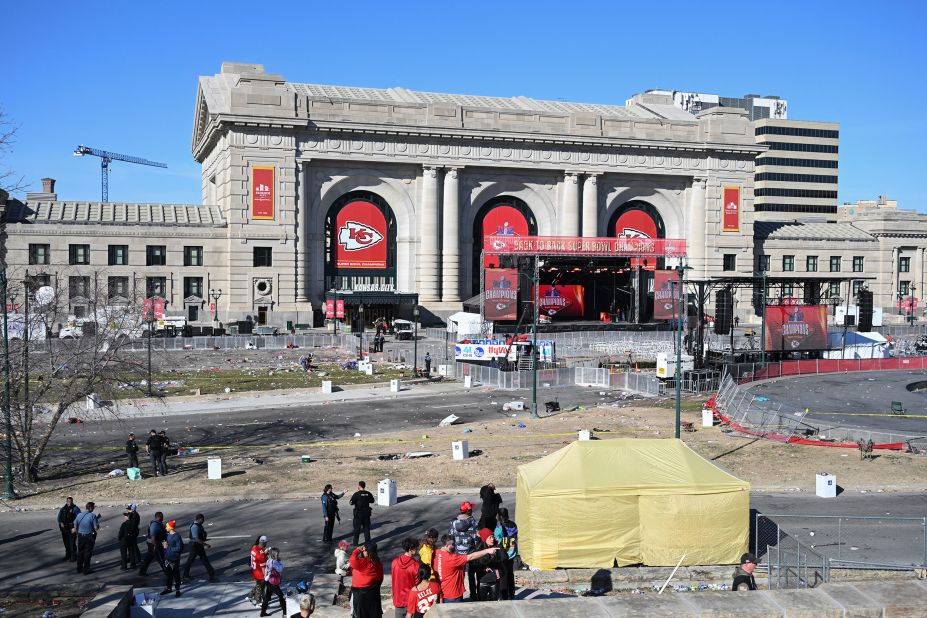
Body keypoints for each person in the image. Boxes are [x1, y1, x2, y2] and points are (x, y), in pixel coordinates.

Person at [434, 534, 500, 603]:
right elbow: (471, 557)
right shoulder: (452, 559)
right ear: (447, 545)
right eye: (453, 544)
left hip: (443, 592)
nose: (455, 546)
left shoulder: (437, 553)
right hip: (453, 596)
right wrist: (487, 551)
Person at [449, 501, 479, 600]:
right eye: (471, 509)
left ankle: (459, 595)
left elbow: (451, 537)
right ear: (468, 511)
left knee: (459, 574)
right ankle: (473, 595)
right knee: (471, 574)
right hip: (470, 552)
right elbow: (476, 539)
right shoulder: (473, 522)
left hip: (458, 553)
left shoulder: (453, 522)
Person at [349, 543, 384, 618]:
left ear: (369, 552)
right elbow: (380, 578)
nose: (363, 552)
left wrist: (357, 550)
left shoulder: (364, 562)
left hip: (361, 594)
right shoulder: (377, 562)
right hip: (374, 593)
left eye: (364, 550)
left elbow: (352, 561)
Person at [471, 529, 505, 601]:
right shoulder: (479, 549)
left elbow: (503, 558)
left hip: (494, 581)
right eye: (490, 537)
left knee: (494, 601)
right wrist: (484, 568)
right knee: (482, 603)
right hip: (483, 581)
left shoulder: (497, 546)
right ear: (484, 539)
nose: (492, 539)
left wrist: (499, 545)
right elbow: (475, 565)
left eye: (493, 537)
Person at [390, 538, 421, 618]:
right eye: (416, 548)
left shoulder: (394, 562)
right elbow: (418, 584)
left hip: (398, 600)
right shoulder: (416, 566)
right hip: (411, 601)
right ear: (411, 549)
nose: (417, 550)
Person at [493, 508, 518, 600]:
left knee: (503, 574)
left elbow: (497, 539)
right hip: (512, 553)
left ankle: (504, 595)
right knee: (510, 573)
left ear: (500, 516)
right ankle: (512, 593)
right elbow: (515, 537)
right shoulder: (513, 525)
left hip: (503, 554)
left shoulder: (499, 527)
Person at [184, 513, 217, 582]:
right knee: (190, 561)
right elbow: (196, 539)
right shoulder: (195, 527)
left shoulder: (199, 525)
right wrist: (205, 544)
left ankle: (211, 574)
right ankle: (185, 575)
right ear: (199, 519)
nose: (203, 521)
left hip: (198, 546)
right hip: (195, 546)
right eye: (202, 519)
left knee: (205, 560)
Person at [72, 501, 100, 574]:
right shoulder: (92, 516)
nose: (94, 508)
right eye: (93, 507)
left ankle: (79, 568)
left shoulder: (79, 514)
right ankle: (86, 569)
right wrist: (97, 525)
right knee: (87, 553)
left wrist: (77, 532)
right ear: (90, 507)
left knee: (80, 552)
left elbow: (75, 523)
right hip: (89, 536)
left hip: (80, 536)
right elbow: (96, 527)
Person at [260, 547, 286, 617]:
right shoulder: (274, 562)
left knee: (267, 598)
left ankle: (262, 613)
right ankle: (285, 613)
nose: (278, 555)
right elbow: (280, 569)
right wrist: (280, 562)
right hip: (273, 583)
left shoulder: (269, 560)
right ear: (275, 554)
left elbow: (266, 570)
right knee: (282, 596)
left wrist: (265, 578)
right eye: (277, 554)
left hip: (268, 581)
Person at [161, 520, 184, 597]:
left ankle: (177, 590)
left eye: (167, 526)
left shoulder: (177, 536)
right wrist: (164, 546)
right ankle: (168, 588)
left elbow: (179, 548)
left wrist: (168, 547)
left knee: (176, 574)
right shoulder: (167, 535)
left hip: (174, 559)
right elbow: (166, 546)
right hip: (167, 558)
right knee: (168, 574)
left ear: (171, 528)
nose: (165, 528)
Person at [139, 511, 166, 576]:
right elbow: (153, 537)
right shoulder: (154, 525)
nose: (163, 518)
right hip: (154, 544)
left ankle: (142, 572)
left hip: (154, 543)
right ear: (159, 517)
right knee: (161, 558)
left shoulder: (157, 523)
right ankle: (167, 572)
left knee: (149, 558)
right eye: (162, 517)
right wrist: (155, 546)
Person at [350, 481, 375, 546]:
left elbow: (351, 503)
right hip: (366, 514)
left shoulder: (356, 494)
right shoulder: (368, 493)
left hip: (358, 514)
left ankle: (355, 543)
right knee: (366, 529)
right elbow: (372, 501)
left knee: (357, 529)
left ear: (359, 486)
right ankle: (368, 542)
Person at [57, 497, 80, 561]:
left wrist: (75, 527)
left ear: (72, 501)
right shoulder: (63, 509)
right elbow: (59, 518)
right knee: (66, 543)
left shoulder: (76, 509)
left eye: (70, 501)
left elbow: (78, 518)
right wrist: (60, 522)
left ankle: (73, 556)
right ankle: (68, 555)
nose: (69, 502)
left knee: (72, 543)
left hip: (72, 528)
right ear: (66, 501)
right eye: (68, 501)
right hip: (64, 529)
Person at [249, 535, 269, 606]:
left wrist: (264, 553)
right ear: (263, 542)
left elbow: (258, 556)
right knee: (260, 587)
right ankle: (258, 602)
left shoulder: (254, 547)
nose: (266, 544)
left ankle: (250, 595)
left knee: (258, 585)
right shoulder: (261, 554)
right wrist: (265, 575)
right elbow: (263, 566)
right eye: (266, 542)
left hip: (254, 570)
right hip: (260, 572)